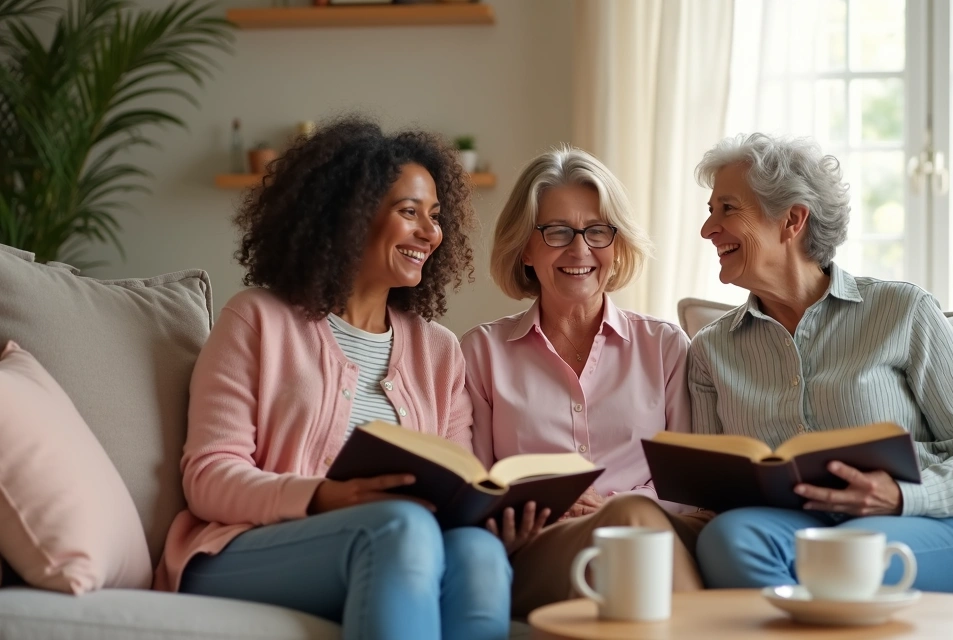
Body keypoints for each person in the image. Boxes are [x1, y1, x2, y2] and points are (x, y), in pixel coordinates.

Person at [153, 117, 511, 640]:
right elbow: (207, 476)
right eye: (409, 212)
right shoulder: (256, 318)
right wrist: (321, 497)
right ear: (350, 215)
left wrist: (489, 514)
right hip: (242, 549)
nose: (431, 233)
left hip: (395, 544)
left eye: (435, 216)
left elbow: (457, 480)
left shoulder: (439, 351)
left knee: (478, 552)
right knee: (399, 527)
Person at [690, 133, 953, 594]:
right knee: (727, 540)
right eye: (710, 213)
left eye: (727, 209)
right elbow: (716, 488)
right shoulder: (711, 349)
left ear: (792, 220)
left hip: (943, 518)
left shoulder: (902, 311)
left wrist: (903, 496)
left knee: (849, 554)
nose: (708, 229)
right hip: (805, 528)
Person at [460, 145, 709, 617]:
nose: (580, 249)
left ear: (617, 246)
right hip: (542, 550)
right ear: (525, 248)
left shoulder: (664, 346)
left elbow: (690, 487)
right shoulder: (480, 353)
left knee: (630, 521)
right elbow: (476, 491)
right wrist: (513, 519)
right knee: (626, 528)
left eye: (597, 231)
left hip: (658, 534)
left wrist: (611, 506)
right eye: (557, 232)